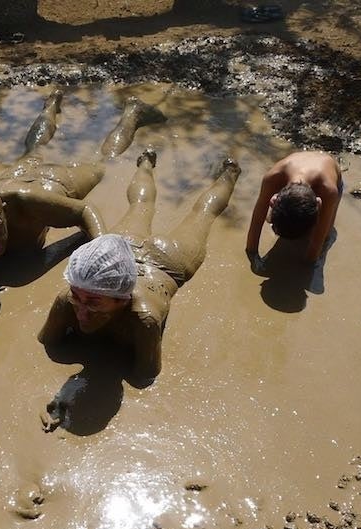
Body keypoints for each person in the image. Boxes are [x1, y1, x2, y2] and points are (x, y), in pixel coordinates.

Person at [38, 150, 240, 410]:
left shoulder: (144, 319)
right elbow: (48, 345)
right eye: (78, 297)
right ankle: (145, 162)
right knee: (140, 205)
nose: (81, 311)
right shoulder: (69, 299)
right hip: (124, 248)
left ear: (122, 299)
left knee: (204, 213)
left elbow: (145, 376)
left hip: (167, 263)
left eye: (94, 303)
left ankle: (231, 172)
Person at [0, 90, 167, 289]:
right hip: (14, 175)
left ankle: (133, 112)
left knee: (103, 162)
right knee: (33, 150)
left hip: (50, 182)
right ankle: (51, 104)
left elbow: (85, 211)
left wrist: (105, 257)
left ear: (4, 210)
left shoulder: (24, 201)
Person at [245, 151, 343, 268]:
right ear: (273, 200)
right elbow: (257, 220)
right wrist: (253, 256)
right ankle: (283, 221)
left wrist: (307, 266)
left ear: (319, 204)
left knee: (326, 235)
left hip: (330, 174)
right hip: (299, 163)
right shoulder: (272, 178)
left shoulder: (329, 191)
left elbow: (317, 243)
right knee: (281, 220)